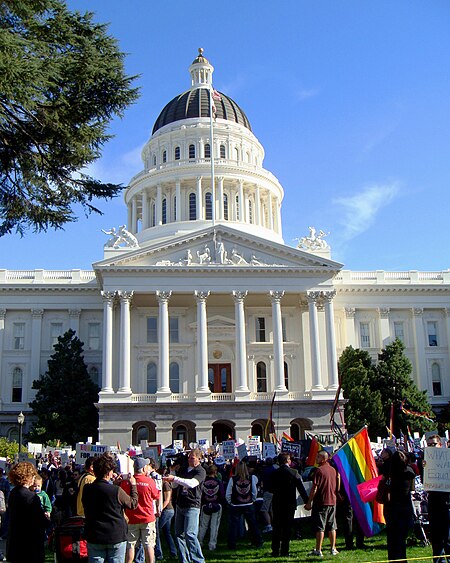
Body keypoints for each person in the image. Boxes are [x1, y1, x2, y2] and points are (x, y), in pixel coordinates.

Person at [82, 453, 138, 563]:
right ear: (108, 473)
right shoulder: (116, 491)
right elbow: (133, 504)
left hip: (95, 535)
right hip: (115, 535)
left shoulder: (87, 489)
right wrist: (133, 486)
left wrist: (114, 484)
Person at [163, 448, 206, 563]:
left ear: (199, 459)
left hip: (192, 505)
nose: (189, 460)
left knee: (190, 534)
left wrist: (175, 478)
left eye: (192, 458)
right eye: (189, 458)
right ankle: (184, 559)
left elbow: (192, 483)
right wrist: (172, 473)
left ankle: (198, 560)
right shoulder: (183, 469)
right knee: (178, 534)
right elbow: (175, 486)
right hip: (180, 504)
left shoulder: (200, 471)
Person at [6, 461, 49, 563]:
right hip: (30, 545)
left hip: (15, 542)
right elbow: (40, 521)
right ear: (28, 477)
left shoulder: (13, 493)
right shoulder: (31, 497)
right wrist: (47, 519)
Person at [120, 457, 160, 563]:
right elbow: (156, 495)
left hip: (131, 518)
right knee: (149, 545)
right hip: (147, 518)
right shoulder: (149, 481)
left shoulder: (126, 482)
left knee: (130, 545)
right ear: (143, 468)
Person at [269, 452, 309, 557]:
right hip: (289, 503)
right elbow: (301, 489)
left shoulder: (274, 473)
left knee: (277, 527)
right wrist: (307, 501)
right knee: (287, 528)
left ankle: (275, 550)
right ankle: (284, 551)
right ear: (288, 461)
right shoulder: (294, 473)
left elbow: (270, 488)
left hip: (277, 502)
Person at [382, 450, 415, 563]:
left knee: (392, 537)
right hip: (404, 507)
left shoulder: (389, 472)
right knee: (401, 538)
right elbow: (413, 488)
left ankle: (392, 559)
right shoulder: (409, 472)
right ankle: (402, 559)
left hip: (391, 508)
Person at [305, 450, 340, 556]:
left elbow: (315, 487)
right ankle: (333, 548)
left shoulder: (319, 471)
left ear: (324, 459)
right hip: (332, 501)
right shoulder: (333, 470)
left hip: (321, 502)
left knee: (320, 526)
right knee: (332, 525)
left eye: (318, 457)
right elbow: (338, 485)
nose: (316, 459)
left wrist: (309, 502)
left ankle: (318, 550)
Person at [225, 460, 263, 551]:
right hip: (248, 504)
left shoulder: (233, 479)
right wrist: (252, 500)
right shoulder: (251, 478)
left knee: (233, 525)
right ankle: (257, 541)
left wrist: (230, 502)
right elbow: (254, 490)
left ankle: (232, 544)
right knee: (253, 524)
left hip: (236, 504)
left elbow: (228, 493)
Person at [424, 434, 449, 563]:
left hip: (448, 503)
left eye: (434, 444)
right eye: (429, 445)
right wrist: (424, 468)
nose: (431, 447)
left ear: (440, 444)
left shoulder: (448, 460)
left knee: (448, 538)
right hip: (434, 503)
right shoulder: (425, 461)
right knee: (436, 537)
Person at [198, 464, 225, 551]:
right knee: (214, 526)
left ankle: (199, 542)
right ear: (215, 472)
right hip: (216, 505)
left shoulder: (203, 482)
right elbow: (222, 495)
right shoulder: (218, 482)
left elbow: (200, 494)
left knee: (203, 525)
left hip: (205, 505)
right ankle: (212, 544)